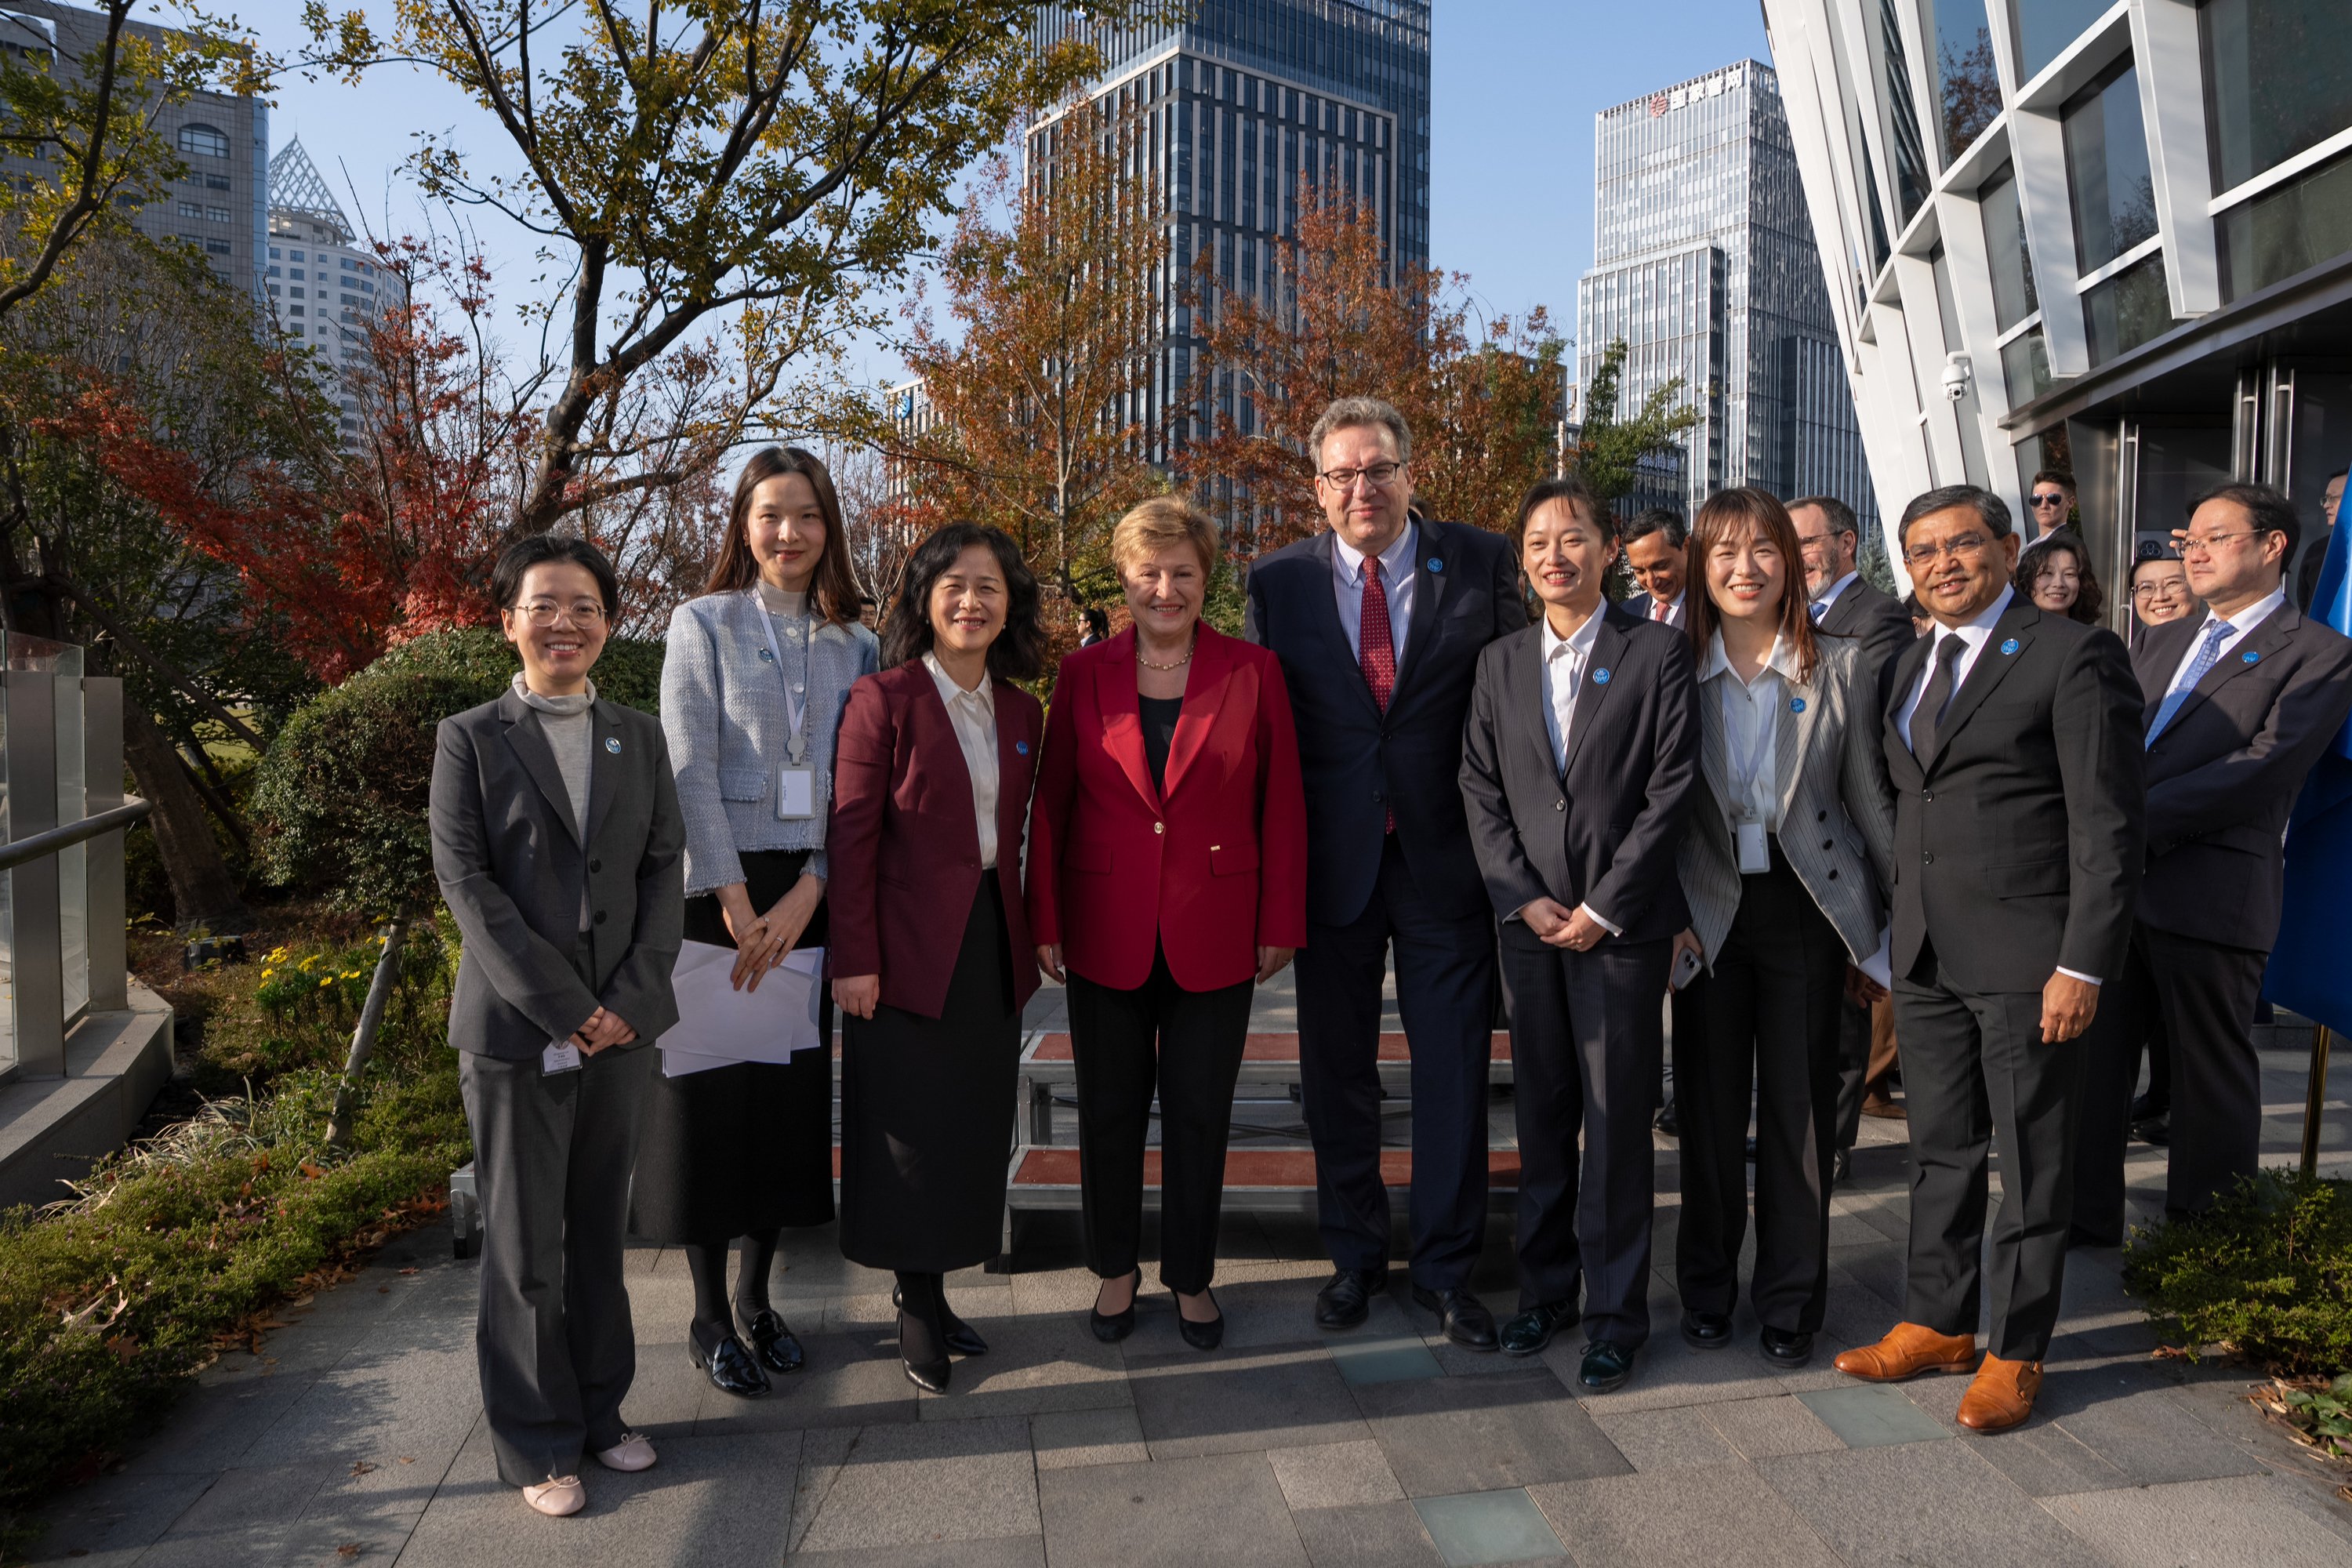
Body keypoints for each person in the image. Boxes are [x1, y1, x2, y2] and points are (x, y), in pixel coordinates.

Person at [1835, 484, 2143, 1434]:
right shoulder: (1906, 665)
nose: (1943, 565)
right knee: (1939, 1150)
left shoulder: (2074, 654)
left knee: (2034, 1160)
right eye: (1922, 552)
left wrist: (2083, 963)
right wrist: (1883, 942)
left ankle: (2017, 1345)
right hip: (1925, 953)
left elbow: (2109, 824)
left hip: (2029, 959)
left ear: (2009, 549)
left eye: (1963, 545)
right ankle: (1938, 1319)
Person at [1243, 396, 1524, 1349]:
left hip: (1449, 860)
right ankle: (1355, 1255)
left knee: (1451, 1071)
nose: (1362, 487)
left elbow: (1519, 708)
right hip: (1332, 868)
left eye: (1379, 467)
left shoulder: (1483, 562)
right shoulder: (1275, 582)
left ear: (1411, 471)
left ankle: (1448, 1270)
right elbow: (1267, 744)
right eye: (1342, 473)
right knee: (1337, 1074)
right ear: (1318, 487)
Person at [429, 535, 684, 1517]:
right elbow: (469, 884)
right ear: (508, 620)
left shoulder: (635, 732)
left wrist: (630, 996)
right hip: (516, 1025)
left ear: (609, 622)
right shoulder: (473, 736)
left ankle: (601, 1411)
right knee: (525, 1244)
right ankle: (536, 1440)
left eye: (585, 605)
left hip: (623, 1021)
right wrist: (568, 1006)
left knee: (596, 1233)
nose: (565, 621)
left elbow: (665, 867)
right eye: (544, 604)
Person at [1029, 496, 1308, 1351]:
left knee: (1199, 1111)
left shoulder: (1252, 669)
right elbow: (1053, 805)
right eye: (1149, 571)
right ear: (1124, 576)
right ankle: (1116, 1268)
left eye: (1183, 571)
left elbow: (1284, 805)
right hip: (1102, 921)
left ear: (1205, 576)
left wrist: (1280, 921)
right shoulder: (1083, 674)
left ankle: (1191, 1275)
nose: (1166, 588)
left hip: (1217, 923)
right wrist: (1045, 913)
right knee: (1109, 1110)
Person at [644, 447, 879, 1397]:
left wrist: (811, 889)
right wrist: (738, 900)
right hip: (720, 902)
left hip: (810, 896)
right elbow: (687, 763)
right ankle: (705, 1312)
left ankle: (757, 1296)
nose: (791, 533)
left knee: (784, 1106)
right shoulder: (702, 622)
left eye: (810, 515)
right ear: (743, 523)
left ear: (832, 528)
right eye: (772, 514)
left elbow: (860, 787)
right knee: (713, 1104)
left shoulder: (855, 641)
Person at [1459, 475, 1700, 1390]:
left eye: (1573, 538)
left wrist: (1605, 904)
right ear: (1521, 564)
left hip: (1621, 933)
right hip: (1530, 931)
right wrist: (1521, 896)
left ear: (1607, 551)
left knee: (1616, 1124)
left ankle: (1615, 1313)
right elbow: (1480, 789)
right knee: (1543, 1118)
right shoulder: (1500, 662)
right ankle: (1546, 1290)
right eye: (1536, 544)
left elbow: (1672, 789)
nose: (1554, 555)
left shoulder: (1655, 653)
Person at [2072, 484, 2352, 1242]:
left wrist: (2122, 820)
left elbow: (2263, 768)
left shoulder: (2320, 652)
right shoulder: (2161, 638)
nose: (2191, 551)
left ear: (2271, 546)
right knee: (2095, 1069)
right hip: (2116, 891)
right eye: (2186, 537)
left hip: (2211, 888)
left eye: (2214, 537)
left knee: (2207, 1080)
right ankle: (2083, 1219)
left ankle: (2207, 1242)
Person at [1669, 488, 1893, 1370]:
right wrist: (1662, 921)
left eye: (1764, 550)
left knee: (1800, 1116)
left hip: (1806, 906)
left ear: (1793, 563)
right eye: (1724, 552)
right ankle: (1707, 1286)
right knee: (1708, 1114)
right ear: (1701, 566)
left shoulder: (1840, 666)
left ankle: (1792, 1298)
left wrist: (1879, 937)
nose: (1745, 568)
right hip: (1706, 912)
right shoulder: (1671, 667)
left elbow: (1871, 801)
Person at [829, 523, 1045, 1394]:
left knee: (970, 1122)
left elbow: (1027, 833)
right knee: (906, 1128)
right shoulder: (882, 699)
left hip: (991, 938)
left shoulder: (1024, 710)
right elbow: (851, 837)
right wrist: (854, 955)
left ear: (1008, 604)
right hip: (902, 947)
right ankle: (913, 1296)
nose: (971, 600)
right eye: (953, 584)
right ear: (923, 598)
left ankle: (946, 1281)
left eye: (988, 586)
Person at [1789, 494, 1911, 1178]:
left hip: (1844, 831)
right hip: (1788, 840)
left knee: (1843, 1006)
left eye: (1807, 543)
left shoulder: (1878, 619)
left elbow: (1866, 724)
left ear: (1845, 543)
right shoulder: (1793, 613)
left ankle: (1830, 1144)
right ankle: (1801, 1133)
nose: (1799, 556)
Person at [2015, 530, 2105, 624]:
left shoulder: (2092, 637)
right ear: (2027, 580)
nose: (2059, 584)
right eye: (2047, 573)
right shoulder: (2010, 632)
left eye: (2069, 574)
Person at [1623, 508, 1690, 629]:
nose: (1651, 581)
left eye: (1660, 566)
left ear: (1686, 547)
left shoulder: (1715, 611)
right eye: (1640, 571)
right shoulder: (1625, 613)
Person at [2127, 545, 2199, 648]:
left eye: (2172, 583)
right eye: (2146, 587)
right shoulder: (2134, 655)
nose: (2160, 597)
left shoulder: (2216, 646)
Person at [2028, 469, 2077, 535]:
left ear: (2070, 502)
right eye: (2036, 499)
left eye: (2053, 498)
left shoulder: (2069, 544)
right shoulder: (2033, 544)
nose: (2044, 506)